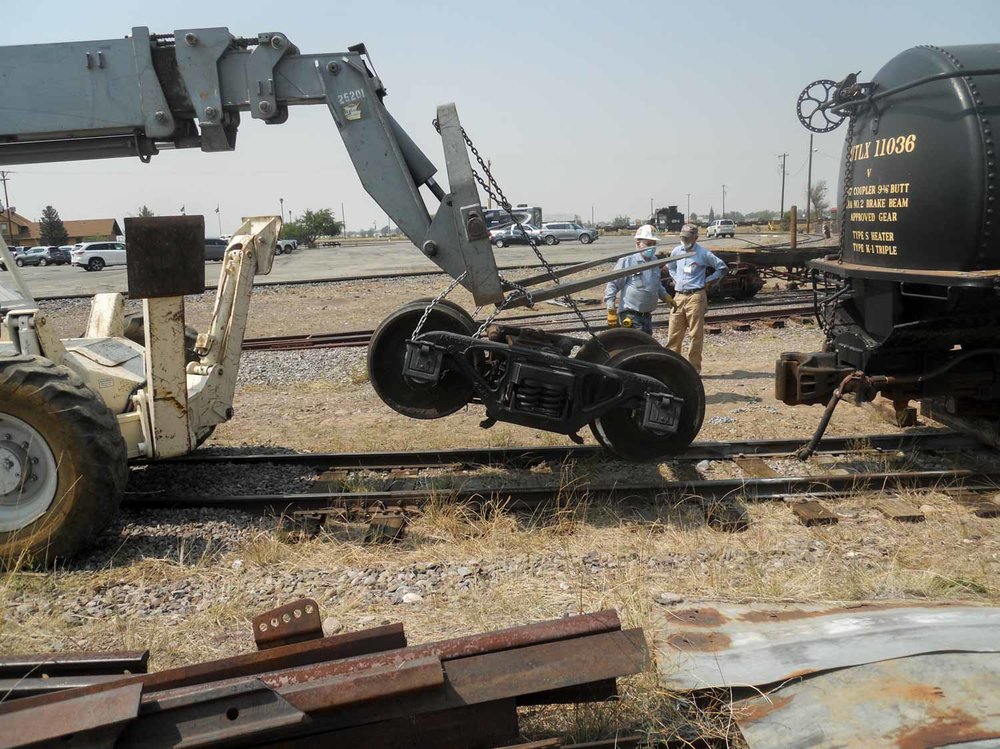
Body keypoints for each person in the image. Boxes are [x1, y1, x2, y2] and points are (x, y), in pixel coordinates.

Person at [666, 224, 727, 372]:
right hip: (679, 296)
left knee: (695, 335)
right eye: (682, 237)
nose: (684, 240)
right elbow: (670, 267)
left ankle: (693, 370)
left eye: (687, 238)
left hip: (696, 296)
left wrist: (706, 282)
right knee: (674, 333)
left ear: (695, 238)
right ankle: (672, 368)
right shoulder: (676, 251)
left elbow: (722, 268)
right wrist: (676, 279)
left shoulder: (703, 253)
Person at [604, 224, 673, 334]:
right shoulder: (628, 261)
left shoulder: (654, 261)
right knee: (638, 347)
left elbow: (655, 284)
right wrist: (611, 309)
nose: (652, 247)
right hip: (631, 315)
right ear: (638, 244)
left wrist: (665, 296)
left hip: (646, 315)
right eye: (649, 244)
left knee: (646, 345)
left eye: (654, 244)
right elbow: (613, 284)